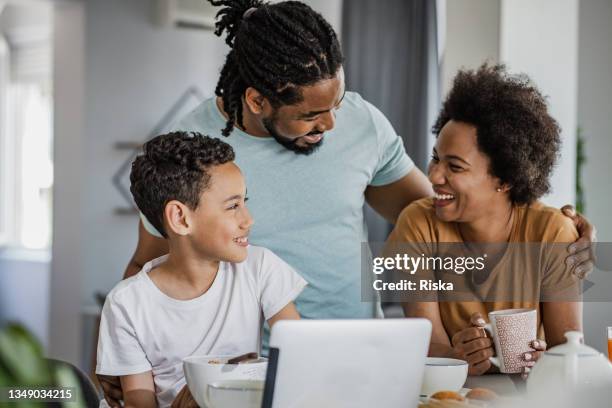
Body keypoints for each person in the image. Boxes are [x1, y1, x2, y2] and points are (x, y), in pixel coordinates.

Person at [102, 0, 595, 403]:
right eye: (312, 115)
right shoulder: (187, 149)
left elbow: (441, 218)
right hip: (251, 377)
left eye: (336, 103)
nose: (332, 125)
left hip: (365, 363)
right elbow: (148, 265)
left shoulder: (361, 123)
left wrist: (556, 234)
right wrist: (123, 361)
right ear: (257, 101)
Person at [386, 64, 583, 377]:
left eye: (455, 167)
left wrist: (543, 366)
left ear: (504, 179)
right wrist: (457, 356)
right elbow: (429, 346)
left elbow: (568, 352)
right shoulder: (418, 225)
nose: (434, 175)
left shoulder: (551, 232)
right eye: (436, 158)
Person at [96, 132, 306, 407]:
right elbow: (139, 401)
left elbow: (300, 354)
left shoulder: (259, 267)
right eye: (233, 206)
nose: (248, 219)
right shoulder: (127, 303)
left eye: (245, 202)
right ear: (180, 218)